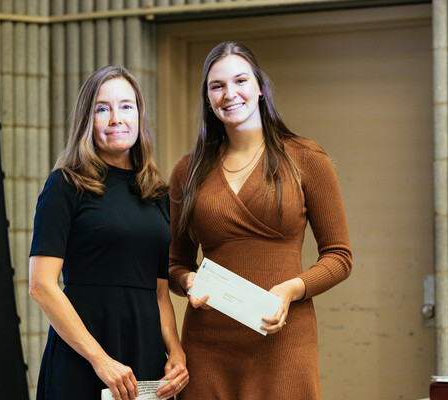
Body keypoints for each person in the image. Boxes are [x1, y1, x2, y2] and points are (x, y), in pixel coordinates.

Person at [168, 41, 352, 399]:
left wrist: (290, 290)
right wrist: (188, 280)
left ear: (260, 88)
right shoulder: (186, 171)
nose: (229, 93)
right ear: (208, 99)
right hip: (209, 345)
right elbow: (175, 264)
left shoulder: (306, 158)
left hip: (282, 338)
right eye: (216, 86)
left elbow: (339, 256)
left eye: (240, 81)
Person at [29, 66, 188, 400]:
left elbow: (160, 293)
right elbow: (42, 286)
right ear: (88, 121)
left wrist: (175, 352)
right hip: (84, 358)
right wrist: (100, 360)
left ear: (140, 117)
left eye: (126, 106)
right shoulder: (65, 185)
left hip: (143, 355)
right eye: (103, 108)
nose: (117, 118)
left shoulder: (158, 195)